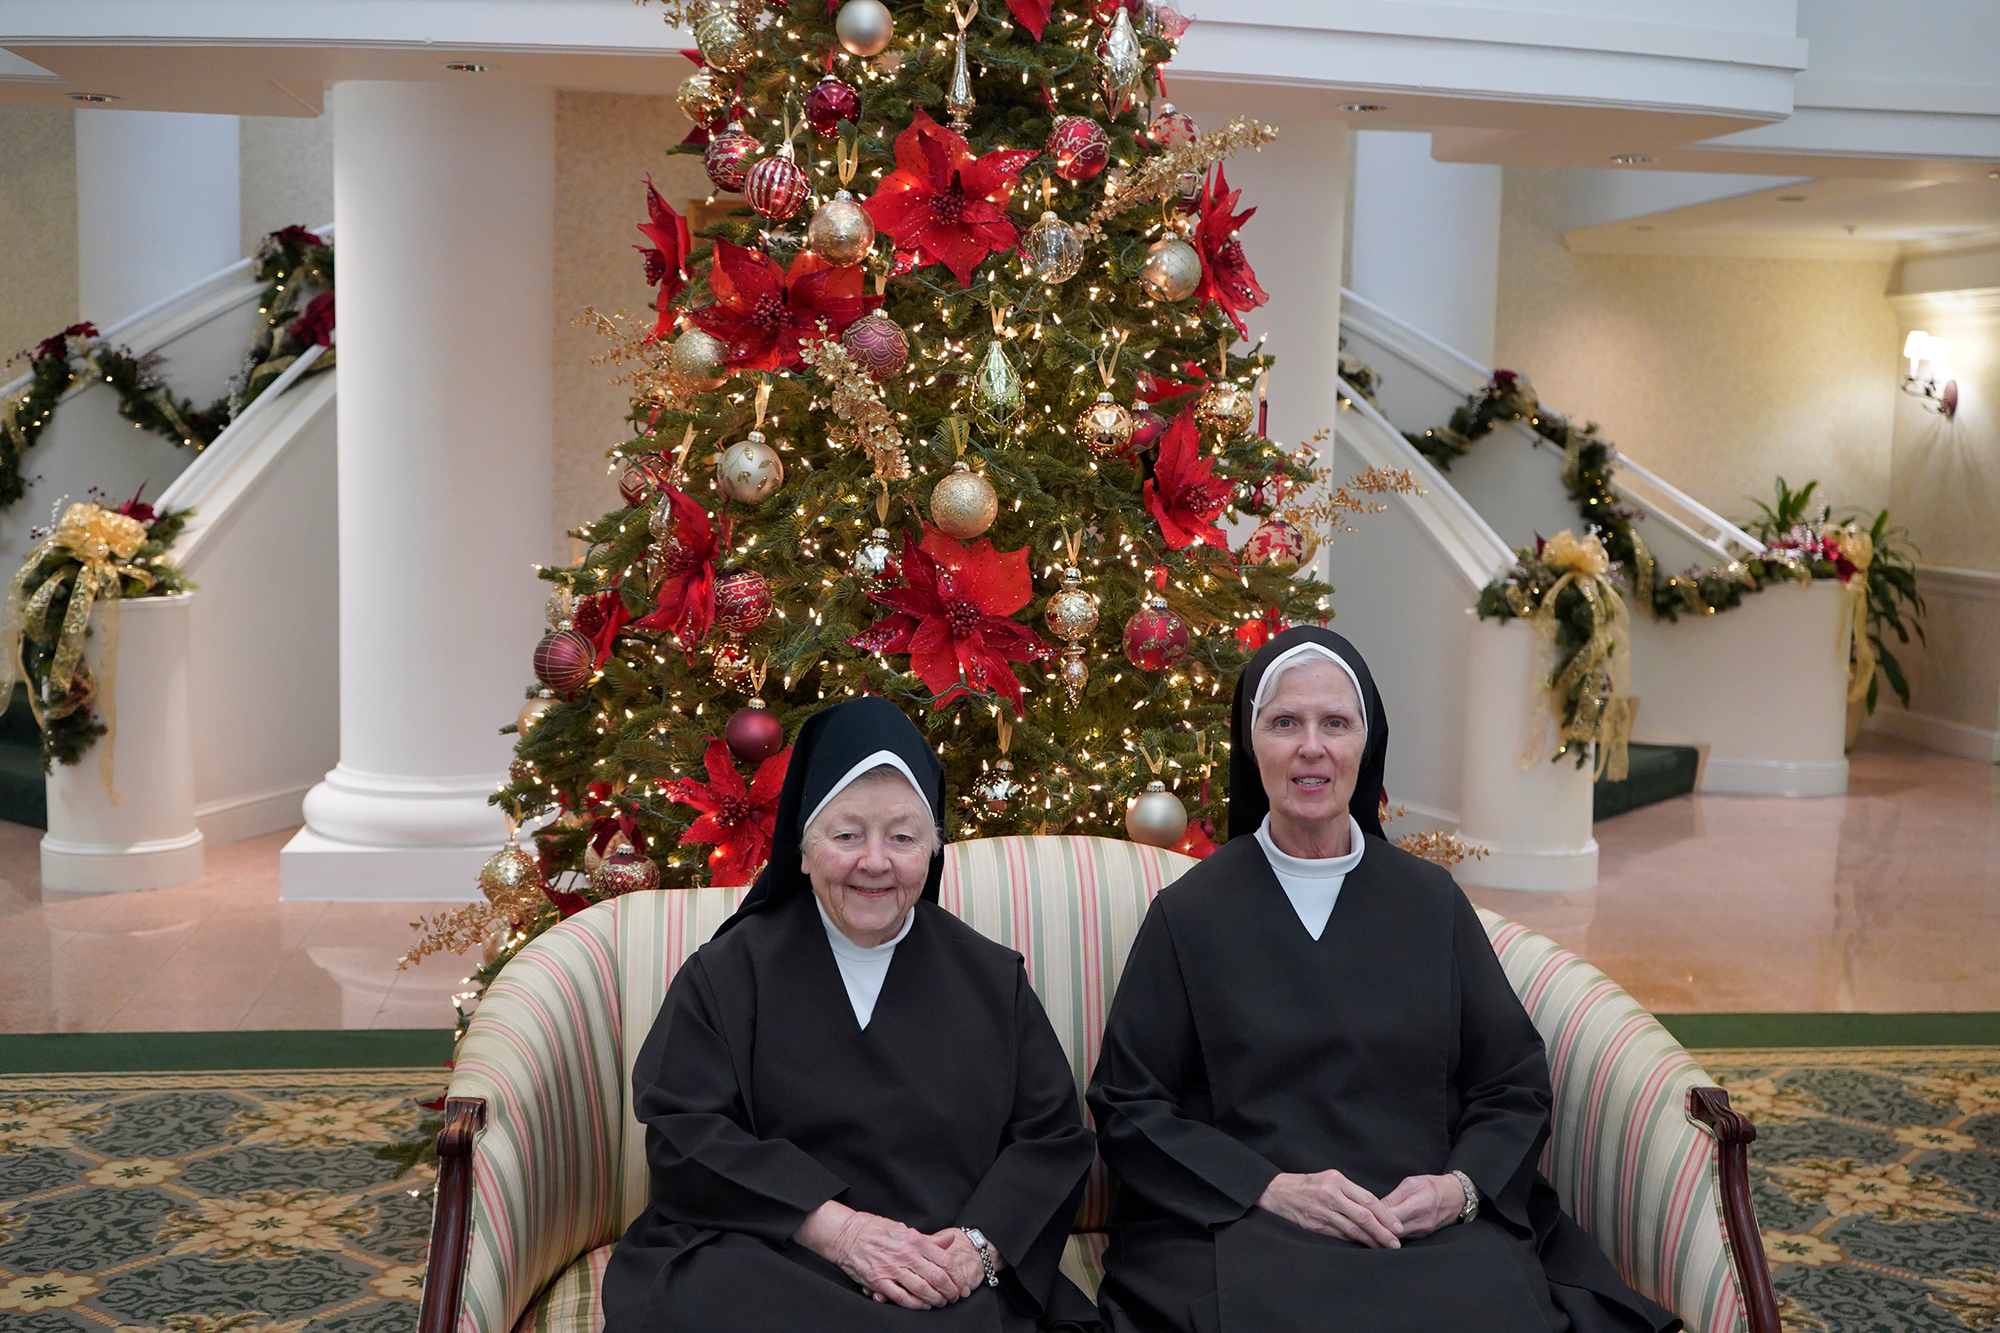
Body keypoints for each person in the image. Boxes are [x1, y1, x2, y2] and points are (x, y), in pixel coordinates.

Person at [1085, 627, 1681, 1333]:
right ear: (1251, 744)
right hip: (1252, 1222)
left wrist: (1457, 1189)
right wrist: (1269, 1188)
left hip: (1423, 1224)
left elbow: (1511, 1083)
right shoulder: (1190, 912)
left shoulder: (1431, 901)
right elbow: (1128, 1102)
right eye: (1285, 723)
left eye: (1336, 723)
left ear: (1367, 744)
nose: (1312, 747)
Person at [602, 696, 1101, 1332]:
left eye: (902, 837)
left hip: (935, 1267)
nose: (875, 861)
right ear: (804, 848)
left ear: (932, 851)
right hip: (772, 1251)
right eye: (846, 835)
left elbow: (1050, 1140)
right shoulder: (727, 972)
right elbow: (683, 1134)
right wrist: (839, 1232)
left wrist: (977, 1250)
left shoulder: (992, 979)